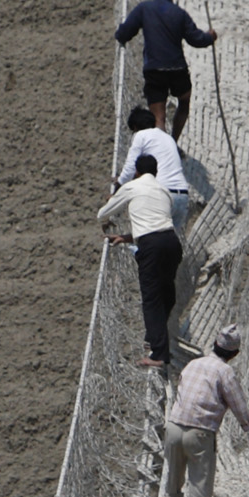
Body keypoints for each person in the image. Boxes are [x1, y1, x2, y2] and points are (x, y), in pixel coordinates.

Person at [162, 325, 249, 497]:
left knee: (173, 478)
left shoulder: (193, 364)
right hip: (200, 435)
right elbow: (238, 406)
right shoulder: (225, 372)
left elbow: (181, 390)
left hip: (174, 426)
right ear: (234, 354)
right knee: (200, 487)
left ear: (214, 345)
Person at [97, 154, 181, 369]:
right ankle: (154, 337)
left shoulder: (132, 186)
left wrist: (109, 212)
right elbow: (154, 223)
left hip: (151, 246)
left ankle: (158, 354)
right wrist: (126, 237)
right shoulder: (163, 191)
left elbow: (103, 214)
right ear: (156, 172)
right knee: (167, 295)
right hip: (172, 242)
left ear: (136, 172)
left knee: (152, 298)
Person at [115, 0, 214, 137]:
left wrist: (120, 36)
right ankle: (173, 140)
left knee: (158, 117)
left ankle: (162, 148)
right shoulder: (180, 13)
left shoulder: (144, 8)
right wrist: (210, 37)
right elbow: (196, 39)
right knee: (184, 100)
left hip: (154, 69)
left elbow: (124, 32)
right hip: (177, 68)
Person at [120, 103, 194, 234]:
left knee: (149, 240)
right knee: (168, 243)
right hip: (182, 195)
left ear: (136, 127)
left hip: (162, 195)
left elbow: (129, 168)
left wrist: (117, 187)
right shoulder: (168, 138)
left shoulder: (140, 136)